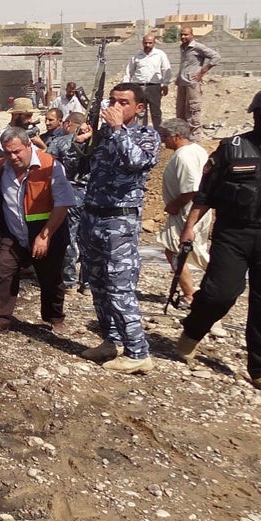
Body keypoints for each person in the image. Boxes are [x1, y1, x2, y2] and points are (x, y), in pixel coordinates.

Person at [177, 89, 261, 392]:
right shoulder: (232, 148)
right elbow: (205, 194)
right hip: (234, 234)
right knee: (221, 293)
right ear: (254, 115)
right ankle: (192, 331)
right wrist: (189, 228)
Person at [77, 83, 160, 373]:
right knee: (97, 284)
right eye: (112, 101)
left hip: (119, 221)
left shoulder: (145, 135)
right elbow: (83, 170)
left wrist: (116, 130)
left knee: (119, 287)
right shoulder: (104, 136)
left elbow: (137, 162)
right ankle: (110, 341)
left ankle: (138, 352)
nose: (114, 107)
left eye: (122, 102)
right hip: (93, 217)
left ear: (138, 108)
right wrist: (84, 143)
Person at [0, 126, 74, 337]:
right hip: (13, 232)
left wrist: (44, 235)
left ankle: (54, 317)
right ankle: (0, 319)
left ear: (28, 145)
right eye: (7, 152)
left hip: (46, 231)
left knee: (50, 277)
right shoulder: (0, 168)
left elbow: (63, 203)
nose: (12, 157)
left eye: (17, 151)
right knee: (3, 270)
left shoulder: (50, 165)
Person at [155, 118, 210, 308]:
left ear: (177, 136)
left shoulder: (184, 156)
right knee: (194, 250)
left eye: (165, 136)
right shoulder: (197, 150)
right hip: (197, 210)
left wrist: (175, 205)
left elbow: (192, 189)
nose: (163, 141)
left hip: (186, 211)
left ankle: (191, 294)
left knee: (175, 251)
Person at [46, 112, 89, 290]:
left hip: (69, 193)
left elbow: (49, 166)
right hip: (92, 195)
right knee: (87, 238)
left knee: (69, 237)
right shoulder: (95, 143)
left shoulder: (60, 142)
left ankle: (69, 281)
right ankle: (86, 282)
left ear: (68, 123)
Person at [176, 27, 221, 135]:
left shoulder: (197, 47)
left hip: (193, 83)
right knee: (180, 110)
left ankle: (195, 136)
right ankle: (183, 135)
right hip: (182, 82)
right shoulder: (182, 47)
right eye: (181, 35)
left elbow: (216, 57)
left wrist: (202, 72)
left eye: (186, 35)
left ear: (192, 35)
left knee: (193, 109)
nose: (183, 37)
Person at [125, 33, 172, 128]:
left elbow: (166, 69)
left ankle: (158, 133)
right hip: (139, 87)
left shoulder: (160, 55)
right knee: (140, 112)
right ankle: (141, 133)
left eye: (150, 43)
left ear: (154, 43)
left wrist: (165, 84)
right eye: (145, 43)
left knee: (156, 112)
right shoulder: (137, 56)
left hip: (154, 87)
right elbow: (129, 72)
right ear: (142, 43)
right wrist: (126, 86)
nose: (147, 45)